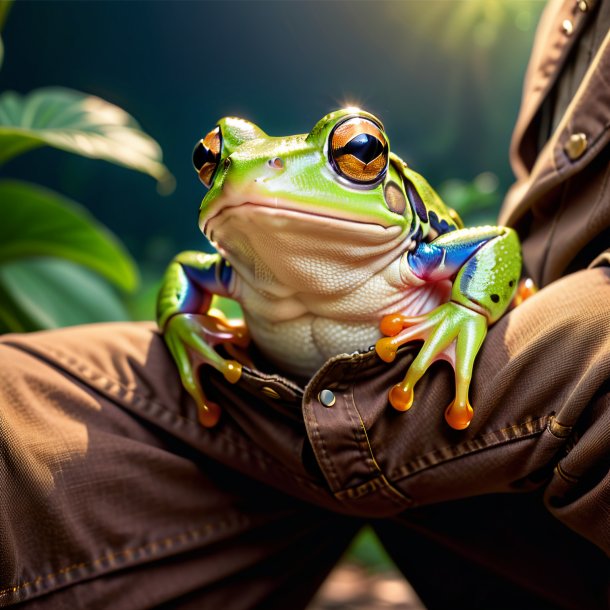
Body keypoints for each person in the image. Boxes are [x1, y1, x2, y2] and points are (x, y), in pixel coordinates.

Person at [1, 0, 608, 608]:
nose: (242, 173)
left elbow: (494, 248)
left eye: (356, 153)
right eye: (214, 161)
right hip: (258, 407)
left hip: (478, 397)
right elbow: (185, 278)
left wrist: (469, 310)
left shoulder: (420, 255)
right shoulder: (230, 270)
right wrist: (183, 327)